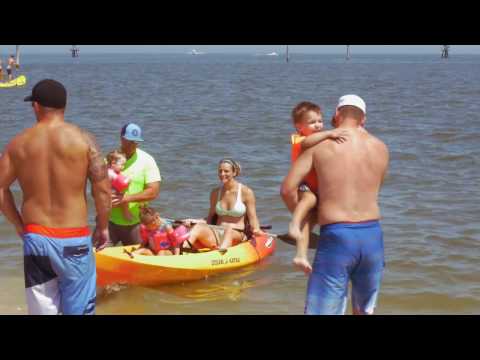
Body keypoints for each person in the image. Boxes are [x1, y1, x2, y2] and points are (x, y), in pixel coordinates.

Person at [0, 79, 111, 315]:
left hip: (36, 239)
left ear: (36, 106)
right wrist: (103, 227)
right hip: (74, 241)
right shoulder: (84, 141)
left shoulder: (17, 145)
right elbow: (102, 189)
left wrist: (20, 226)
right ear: (64, 106)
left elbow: (0, 189)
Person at [281, 95, 389, 315]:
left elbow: (287, 190)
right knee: (365, 310)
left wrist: (306, 217)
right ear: (364, 119)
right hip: (373, 237)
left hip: (338, 237)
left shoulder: (320, 146)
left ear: (337, 115)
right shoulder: (381, 148)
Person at [288, 101, 349, 274]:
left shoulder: (319, 138)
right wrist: (330, 133)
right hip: (304, 185)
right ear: (299, 127)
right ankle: (293, 223)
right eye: (312, 122)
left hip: (318, 187)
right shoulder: (300, 139)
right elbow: (308, 142)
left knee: (310, 222)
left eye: (320, 121)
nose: (318, 125)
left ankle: (300, 255)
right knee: (309, 199)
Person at [183, 158, 264, 254]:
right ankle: (183, 250)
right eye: (220, 171)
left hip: (236, 234)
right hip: (216, 232)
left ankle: (220, 254)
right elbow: (209, 219)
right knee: (198, 227)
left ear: (234, 173)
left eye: (226, 171)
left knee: (228, 230)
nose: (222, 174)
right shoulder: (215, 193)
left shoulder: (246, 192)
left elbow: (253, 219)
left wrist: (256, 230)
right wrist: (193, 221)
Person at [100, 122, 161, 247]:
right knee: (95, 254)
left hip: (136, 223)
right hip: (110, 222)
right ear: (121, 139)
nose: (133, 145)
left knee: (141, 259)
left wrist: (126, 198)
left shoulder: (147, 160)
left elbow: (153, 192)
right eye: (129, 141)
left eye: (136, 142)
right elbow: (98, 188)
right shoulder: (110, 160)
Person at [106, 150, 132, 222]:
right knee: (125, 199)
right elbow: (122, 184)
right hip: (112, 196)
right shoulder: (111, 173)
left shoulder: (108, 170)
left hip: (109, 195)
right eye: (122, 164)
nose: (123, 167)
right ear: (113, 163)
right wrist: (128, 180)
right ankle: (126, 213)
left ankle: (107, 217)